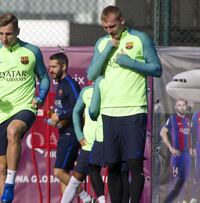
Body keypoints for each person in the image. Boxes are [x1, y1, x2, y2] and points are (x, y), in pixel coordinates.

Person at [87, 5, 162, 203]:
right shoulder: (102, 43)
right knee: (112, 166)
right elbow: (91, 74)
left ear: (122, 21)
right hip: (110, 113)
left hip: (134, 110)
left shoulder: (139, 39)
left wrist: (130, 62)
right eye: (105, 28)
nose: (109, 31)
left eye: (112, 26)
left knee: (134, 164)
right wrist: (107, 51)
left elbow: (156, 68)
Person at [0, 13, 50, 203]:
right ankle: (5, 197)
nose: (4, 39)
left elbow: (45, 78)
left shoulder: (31, 51)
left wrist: (40, 97)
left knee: (13, 131)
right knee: (1, 167)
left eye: (9, 34)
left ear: (18, 32)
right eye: (0, 34)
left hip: (25, 107)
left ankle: (10, 183)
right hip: (0, 113)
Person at [46, 53, 88, 201]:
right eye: (49, 66)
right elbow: (65, 109)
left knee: (58, 172)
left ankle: (86, 197)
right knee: (64, 173)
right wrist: (57, 119)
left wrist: (61, 116)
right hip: (64, 131)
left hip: (71, 134)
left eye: (54, 66)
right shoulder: (60, 84)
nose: (50, 70)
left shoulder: (70, 84)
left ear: (63, 66)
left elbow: (79, 107)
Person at [160, 99, 192, 202]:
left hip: (187, 156)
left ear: (186, 107)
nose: (181, 107)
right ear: (175, 107)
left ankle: (182, 200)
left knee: (185, 181)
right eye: (179, 105)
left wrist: (191, 148)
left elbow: (190, 136)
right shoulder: (172, 119)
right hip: (177, 155)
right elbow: (162, 132)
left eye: (183, 105)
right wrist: (170, 147)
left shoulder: (188, 122)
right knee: (175, 181)